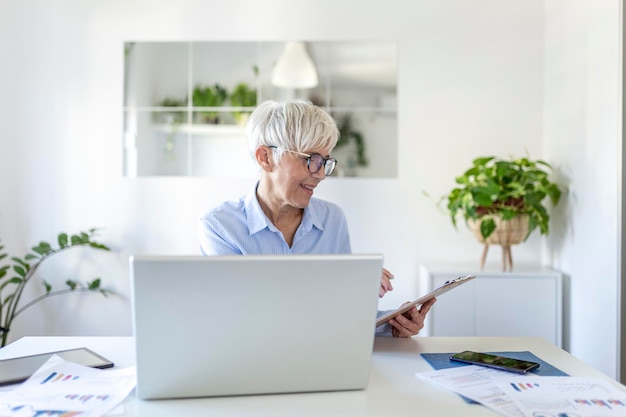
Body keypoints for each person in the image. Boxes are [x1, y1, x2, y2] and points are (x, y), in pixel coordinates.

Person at [197, 99, 435, 337]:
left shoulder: (332, 220)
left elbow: (338, 315)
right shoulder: (220, 227)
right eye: (310, 159)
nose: (320, 174)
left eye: (325, 161)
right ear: (265, 158)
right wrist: (344, 276)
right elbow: (240, 319)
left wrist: (391, 324)